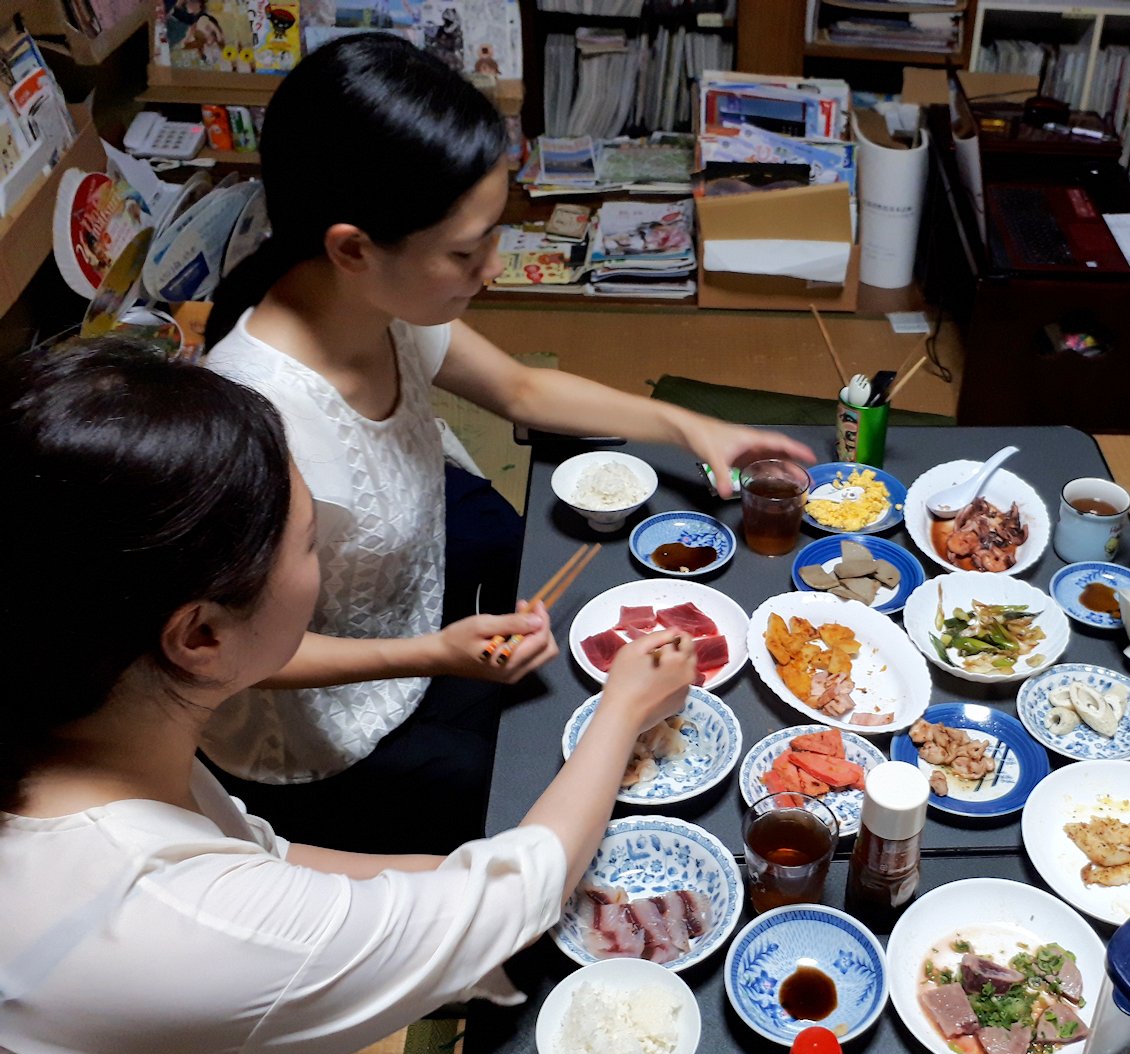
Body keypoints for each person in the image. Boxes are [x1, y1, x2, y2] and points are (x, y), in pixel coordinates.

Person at [0, 340, 696, 1054]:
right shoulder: (161, 927)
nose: (322, 561)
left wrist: (454, 875)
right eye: (308, 545)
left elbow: (268, 858)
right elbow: (507, 905)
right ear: (202, 635)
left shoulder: (82, 736)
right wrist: (622, 713)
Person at [199, 34, 814, 854]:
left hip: (422, 608)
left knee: (593, 623)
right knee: (565, 790)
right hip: (329, 739)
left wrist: (689, 424)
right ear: (353, 247)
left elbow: (520, 389)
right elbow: (235, 658)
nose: (493, 269)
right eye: (466, 249)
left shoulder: (370, 302)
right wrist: (433, 655)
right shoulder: (254, 418)